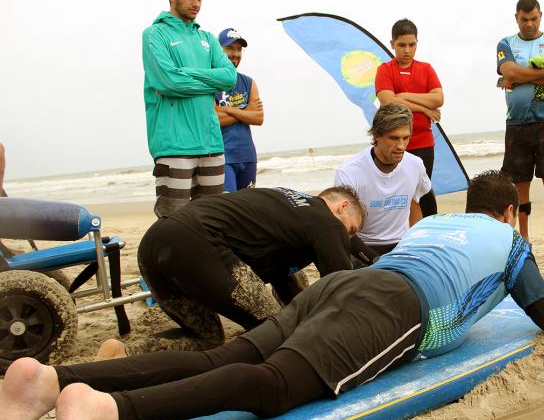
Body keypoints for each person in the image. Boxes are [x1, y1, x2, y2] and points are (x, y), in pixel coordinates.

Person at [0, 170, 544, 420]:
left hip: (339, 288)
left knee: (224, 359)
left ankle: (51, 379)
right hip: (396, 309)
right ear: (511, 213)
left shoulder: (431, 228)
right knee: (272, 386)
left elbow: (362, 265)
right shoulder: (513, 243)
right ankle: (111, 415)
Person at [122, 186, 364, 355]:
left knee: (207, 339)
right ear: (342, 207)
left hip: (153, 243)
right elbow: (341, 288)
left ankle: (123, 353)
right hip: (198, 240)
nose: (346, 238)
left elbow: (289, 284)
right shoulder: (327, 221)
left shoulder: (287, 207)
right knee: (276, 332)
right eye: (350, 230)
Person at [143, 0, 237, 218]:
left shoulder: (206, 37)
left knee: (214, 222)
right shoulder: (154, 34)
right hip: (174, 146)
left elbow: (229, 77)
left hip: (211, 144)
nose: (196, 3)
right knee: (174, 223)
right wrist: (209, 81)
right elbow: (168, 82)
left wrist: (186, 72)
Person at [497, 0, 544, 256]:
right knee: (520, 182)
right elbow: (509, 72)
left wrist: (519, 73)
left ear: (541, 16)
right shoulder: (506, 43)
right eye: (524, 19)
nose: (529, 23)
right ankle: (524, 238)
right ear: (516, 17)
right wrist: (543, 72)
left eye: (533, 18)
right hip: (517, 122)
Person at [335, 104, 431, 260]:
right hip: (362, 246)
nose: (400, 146)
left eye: (405, 138)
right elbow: (343, 229)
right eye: (393, 138)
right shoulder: (349, 172)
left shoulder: (415, 164)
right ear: (376, 135)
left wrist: (416, 243)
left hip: (402, 245)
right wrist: (373, 260)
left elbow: (416, 202)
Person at [375, 18, 444, 217]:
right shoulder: (385, 70)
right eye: (401, 45)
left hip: (423, 141)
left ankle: (430, 231)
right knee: (398, 192)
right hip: (394, 143)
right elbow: (389, 102)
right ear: (392, 44)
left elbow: (439, 99)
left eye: (411, 45)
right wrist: (425, 108)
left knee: (423, 191)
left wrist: (405, 96)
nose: (407, 50)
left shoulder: (426, 69)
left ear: (417, 43)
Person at [215, 28, 264, 192]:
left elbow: (258, 118)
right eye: (230, 48)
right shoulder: (209, 82)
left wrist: (229, 110)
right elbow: (212, 119)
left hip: (248, 156)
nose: (235, 53)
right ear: (218, 50)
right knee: (227, 209)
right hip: (222, 157)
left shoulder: (249, 82)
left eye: (239, 49)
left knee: (246, 210)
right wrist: (245, 110)